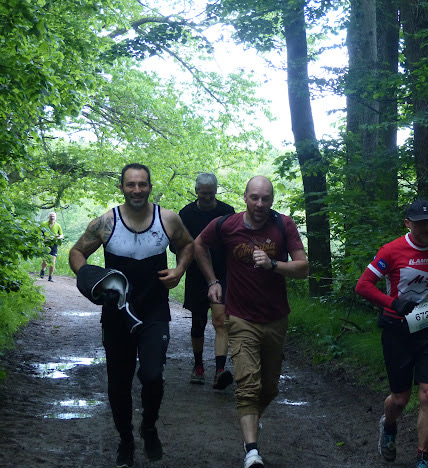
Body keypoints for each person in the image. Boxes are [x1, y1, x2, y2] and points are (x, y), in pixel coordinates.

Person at [69, 163, 194, 468]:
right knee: (119, 383)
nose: (137, 190)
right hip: (117, 312)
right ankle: (125, 440)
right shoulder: (106, 223)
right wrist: (91, 280)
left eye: (142, 184)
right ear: (122, 188)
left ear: (150, 186)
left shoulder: (168, 219)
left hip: (154, 311)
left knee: (152, 376)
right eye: (130, 184)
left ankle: (148, 427)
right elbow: (76, 253)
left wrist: (179, 270)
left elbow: (188, 245)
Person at [194, 175, 308, 468]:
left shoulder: (283, 225)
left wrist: (273, 264)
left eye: (265, 198)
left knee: (269, 388)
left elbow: (303, 268)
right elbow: (198, 245)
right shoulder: (226, 225)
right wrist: (212, 281)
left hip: (275, 318)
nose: (259, 204)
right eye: (254, 197)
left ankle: (252, 423)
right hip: (240, 316)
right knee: (247, 386)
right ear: (245, 197)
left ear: (272, 200)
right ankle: (252, 452)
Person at [354, 199, 428, 468]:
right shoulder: (391, 251)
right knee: (400, 399)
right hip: (397, 330)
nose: (426, 228)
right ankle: (389, 426)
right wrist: (393, 303)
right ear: (407, 223)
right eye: (420, 223)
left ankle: (423, 458)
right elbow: (363, 285)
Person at [178, 173, 235, 388]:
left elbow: (234, 242)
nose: (208, 197)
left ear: (216, 191)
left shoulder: (227, 212)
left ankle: (220, 370)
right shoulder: (186, 213)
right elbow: (179, 244)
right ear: (196, 191)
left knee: (221, 320)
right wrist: (180, 267)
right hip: (195, 274)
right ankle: (198, 365)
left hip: (222, 273)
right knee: (198, 322)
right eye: (204, 194)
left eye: (211, 193)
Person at [40, 211, 64, 282]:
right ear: (49, 217)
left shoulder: (58, 225)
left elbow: (61, 234)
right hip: (46, 244)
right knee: (45, 261)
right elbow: (40, 233)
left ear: (55, 217)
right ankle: (42, 270)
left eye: (53, 216)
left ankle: (50, 277)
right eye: (51, 216)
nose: (52, 217)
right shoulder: (44, 224)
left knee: (52, 262)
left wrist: (59, 237)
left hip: (54, 245)